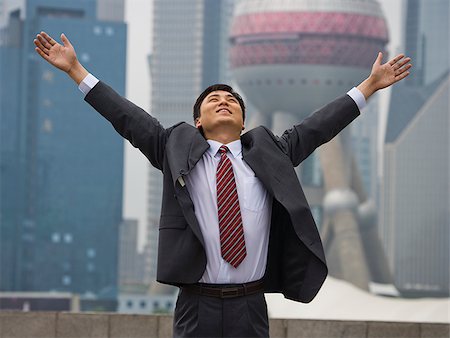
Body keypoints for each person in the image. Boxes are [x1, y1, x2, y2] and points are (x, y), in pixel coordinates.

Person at [34, 31, 411, 337]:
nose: (224, 101)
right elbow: (127, 117)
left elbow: (318, 126)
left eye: (231, 99)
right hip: (196, 305)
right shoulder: (173, 148)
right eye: (213, 100)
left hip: (251, 305)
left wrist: (369, 86)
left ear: (244, 121)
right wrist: (76, 71)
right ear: (198, 121)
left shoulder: (271, 153)